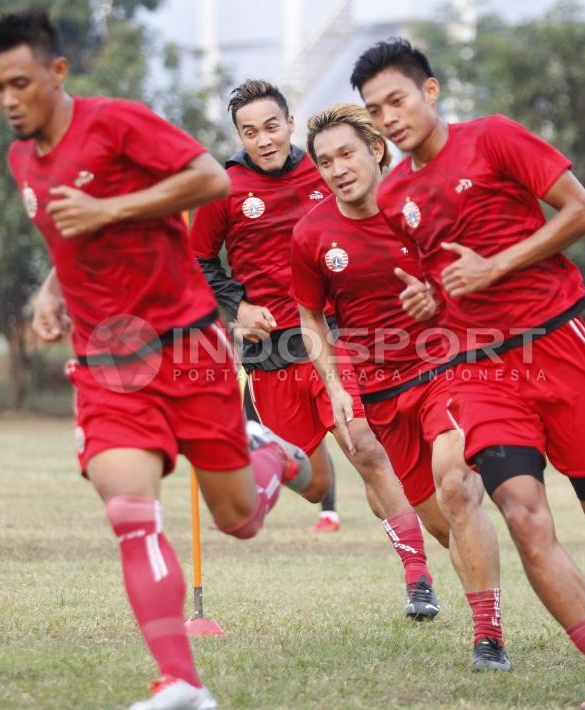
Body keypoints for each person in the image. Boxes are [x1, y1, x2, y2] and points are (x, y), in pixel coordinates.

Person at [0, 13, 310, 709]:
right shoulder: (21, 160)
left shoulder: (117, 123)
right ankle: (182, 680)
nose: (9, 99)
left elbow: (208, 182)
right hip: (107, 364)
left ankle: (271, 454)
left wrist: (110, 210)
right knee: (131, 511)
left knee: (238, 520)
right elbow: (68, 239)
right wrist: (51, 292)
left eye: (20, 83)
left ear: (56, 73)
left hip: (189, 348)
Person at [354, 38, 585, 707]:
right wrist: (427, 297)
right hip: (475, 369)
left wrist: (497, 265)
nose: (390, 117)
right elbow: (436, 279)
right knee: (522, 513)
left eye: (397, 100)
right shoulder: (394, 195)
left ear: (429, 93)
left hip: (558, 347)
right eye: (376, 111)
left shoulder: (494, 138)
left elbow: (583, 212)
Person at [191, 79, 441, 618]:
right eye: (249, 131)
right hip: (269, 357)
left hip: (329, 340)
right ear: (238, 136)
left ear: (289, 122)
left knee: (368, 449)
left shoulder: (324, 172)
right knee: (315, 485)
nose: (264, 139)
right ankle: (279, 454)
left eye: (272, 126)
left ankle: (418, 578)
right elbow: (199, 261)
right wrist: (238, 306)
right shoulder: (224, 188)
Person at [293, 103, 509, 671]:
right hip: (383, 390)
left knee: (458, 489)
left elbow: (474, 272)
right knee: (441, 523)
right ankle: (473, 591)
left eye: (346, 153)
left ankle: (488, 638)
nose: (337, 168)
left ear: (376, 150)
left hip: (449, 368)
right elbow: (310, 318)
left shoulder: (422, 206)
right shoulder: (312, 233)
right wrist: (336, 385)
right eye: (324, 161)